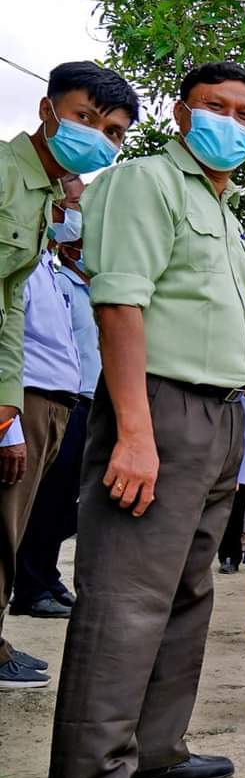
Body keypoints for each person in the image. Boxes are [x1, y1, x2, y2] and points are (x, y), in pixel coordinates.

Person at [43, 61, 245, 778]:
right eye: (215, 107)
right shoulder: (145, 182)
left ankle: (157, 748)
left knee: (187, 593)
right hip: (160, 409)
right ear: (180, 113)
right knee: (128, 597)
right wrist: (134, 430)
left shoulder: (225, 211)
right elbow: (121, 304)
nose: (230, 123)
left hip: (220, 415)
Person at [0, 61, 136, 688]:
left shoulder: (41, 198)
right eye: (85, 118)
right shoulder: (6, 178)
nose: (98, 139)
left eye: (112, 132)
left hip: (35, 396)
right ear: (47, 109)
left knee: (15, 525)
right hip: (22, 395)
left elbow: (6, 304)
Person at [6, 175, 87, 622]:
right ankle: (28, 591)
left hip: (61, 403)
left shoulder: (49, 267)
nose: (77, 215)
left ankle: (39, 581)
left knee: (47, 509)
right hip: (30, 401)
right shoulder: (22, 263)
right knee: (14, 522)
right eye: (73, 203)